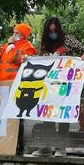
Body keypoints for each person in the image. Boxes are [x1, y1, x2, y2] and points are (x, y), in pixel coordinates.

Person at [31, 17, 80, 157]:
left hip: (66, 84)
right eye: (50, 31)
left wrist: (82, 59)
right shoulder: (45, 44)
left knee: (63, 116)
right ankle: (45, 146)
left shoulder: (68, 40)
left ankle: (61, 147)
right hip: (50, 86)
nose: (53, 33)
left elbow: (83, 51)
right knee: (47, 115)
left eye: (55, 31)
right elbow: (38, 58)